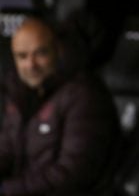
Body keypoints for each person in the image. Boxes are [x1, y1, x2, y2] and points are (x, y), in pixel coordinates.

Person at [0, 16, 120, 195]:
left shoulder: (85, 95)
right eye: (22, 56)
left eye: (40, 53)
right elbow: (7, 150)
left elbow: (73, 175)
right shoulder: (19, 91)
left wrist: (5, 189)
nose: (30, 64)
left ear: (58, 50)